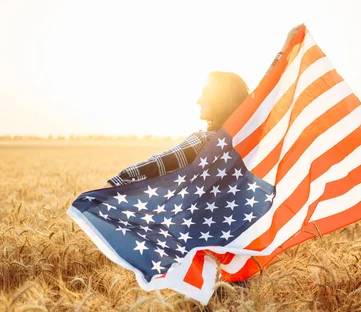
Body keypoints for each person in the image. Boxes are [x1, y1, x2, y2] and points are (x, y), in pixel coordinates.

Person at [101, 24, 304, 190]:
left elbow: (159, 163)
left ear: (220, 100)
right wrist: (285, 50)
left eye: (205, 94)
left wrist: (114, 183)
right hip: (236, 233)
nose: (198, 101)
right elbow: (266, 93)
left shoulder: (204, 143)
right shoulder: (245, 137)